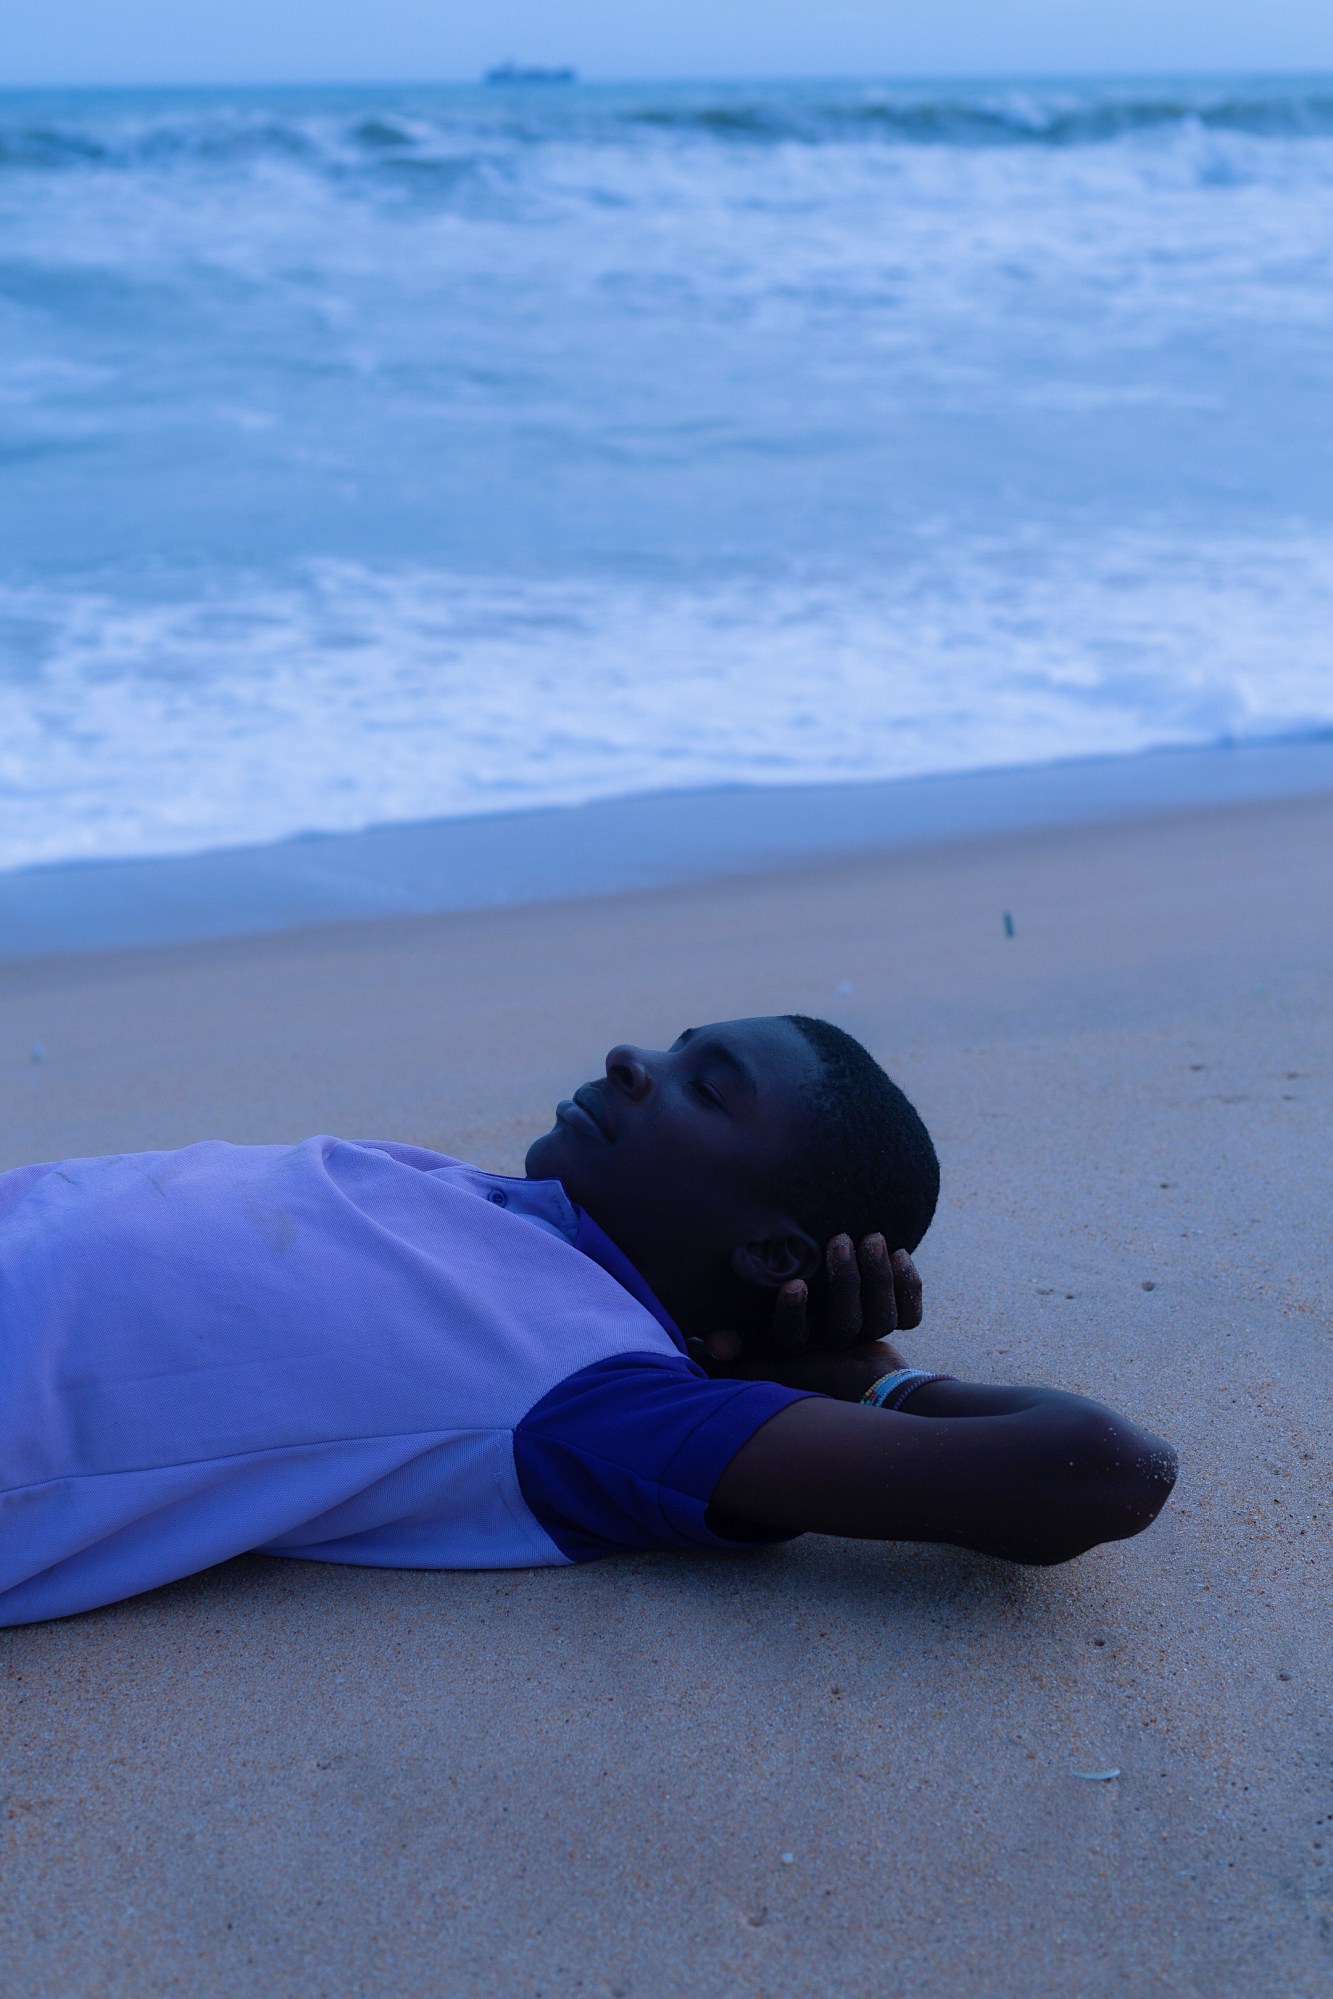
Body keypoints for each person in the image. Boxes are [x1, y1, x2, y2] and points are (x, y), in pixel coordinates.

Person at [0, 1015, 1176, 1627]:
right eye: (672, 1045)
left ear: (769, 1249)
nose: (630, 1058)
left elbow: (1098, 1472)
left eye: (704, 1087)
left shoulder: (594, 1397)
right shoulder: (508, 1211)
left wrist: (857, 1379)